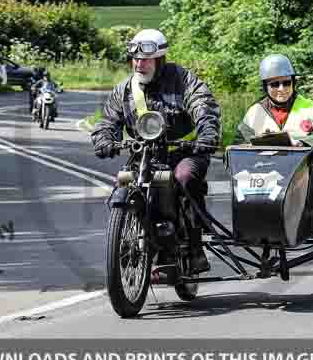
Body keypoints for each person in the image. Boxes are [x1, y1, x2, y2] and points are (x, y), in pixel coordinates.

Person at [91, 29, 222, 273]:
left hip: (185, 151)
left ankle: (194, 248)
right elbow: (107, 120)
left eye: (146, 59)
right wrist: (104, 139)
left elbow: (204, 107)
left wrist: (207, 136)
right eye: (135, 59)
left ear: (159, 59)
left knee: (183, 178)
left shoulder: (183, 80)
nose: (139, 64)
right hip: (145, 154)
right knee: (123, 183)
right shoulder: (125, 90)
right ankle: (133, 234)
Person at [234, 54, 313, 158]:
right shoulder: (254, 113)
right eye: (275, 84)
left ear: (293, 83)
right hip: (263, 169)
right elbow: (238, 146)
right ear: (265, 87)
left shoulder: (311, 108)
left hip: (304, 168)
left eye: (287, 83)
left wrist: (302, 143)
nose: (281, 89)